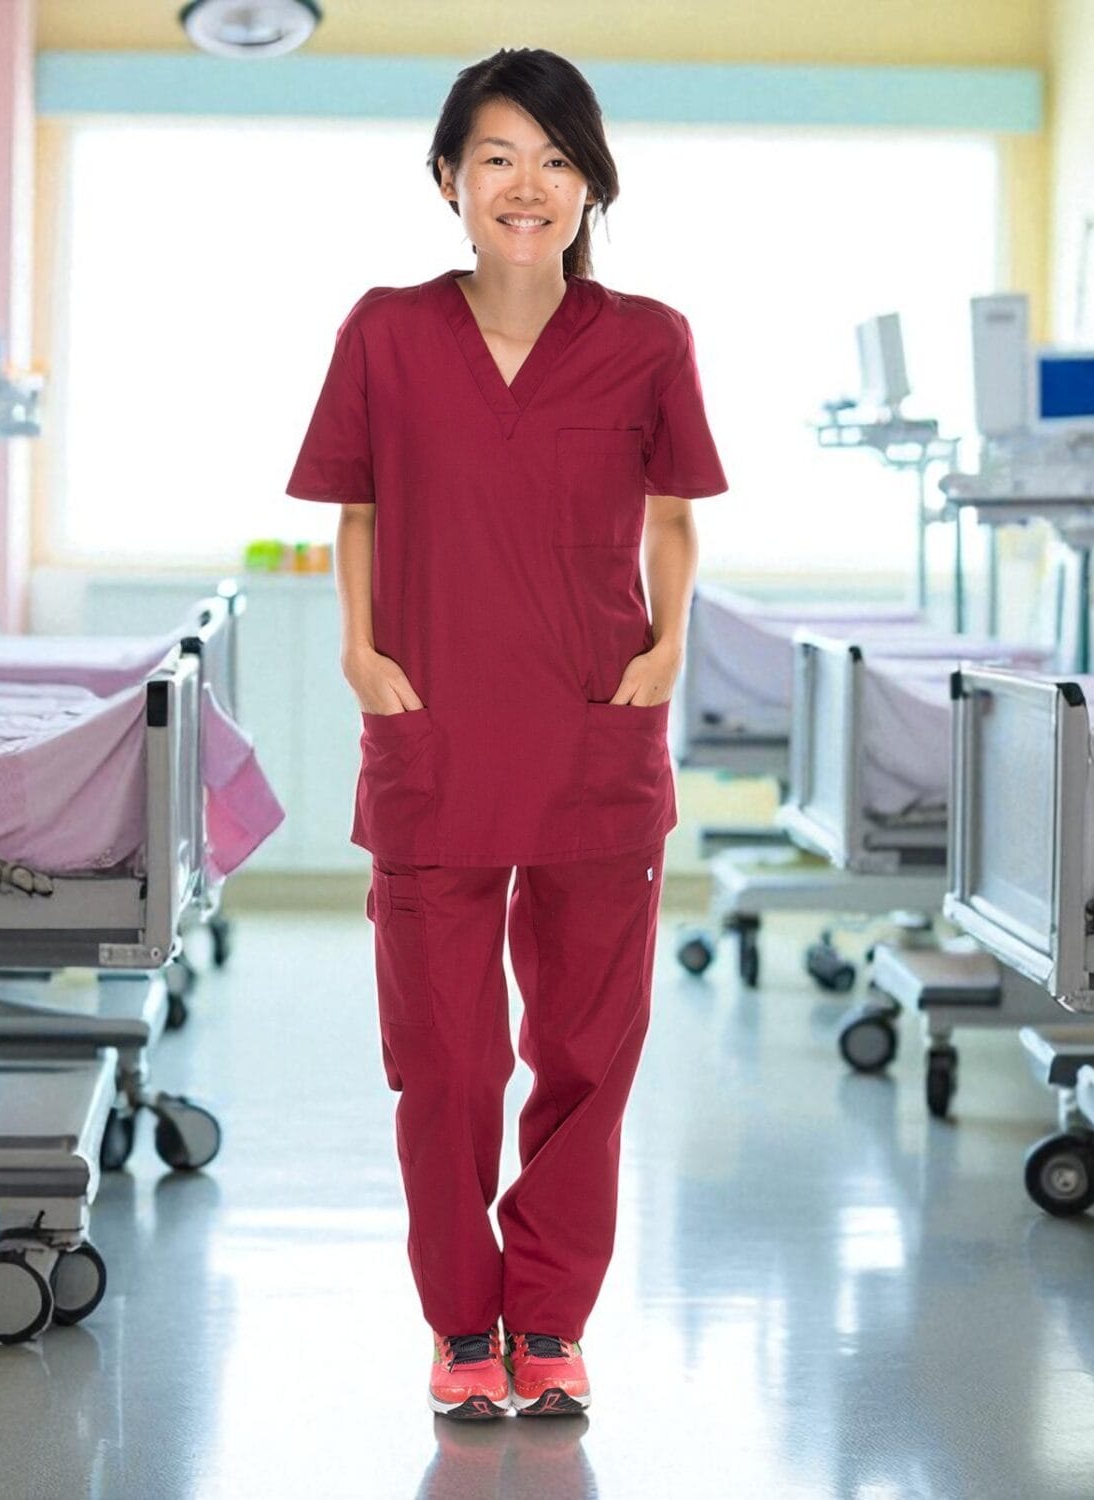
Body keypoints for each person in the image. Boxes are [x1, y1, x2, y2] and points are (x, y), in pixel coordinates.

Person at [286, 46, 727, 1420]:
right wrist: (360, 654)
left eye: (554, 160)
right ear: (448, 182)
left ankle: (549, 1317)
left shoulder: (649, 338)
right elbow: (356, 511)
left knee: (590, 1057)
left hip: (598, 735)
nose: (526, 186)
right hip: (435, 732)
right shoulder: (384, 330)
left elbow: (672, 517)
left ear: (592, 184)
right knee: (448, 1060)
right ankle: (461, 1322)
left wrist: (665, 651)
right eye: (496, 158)